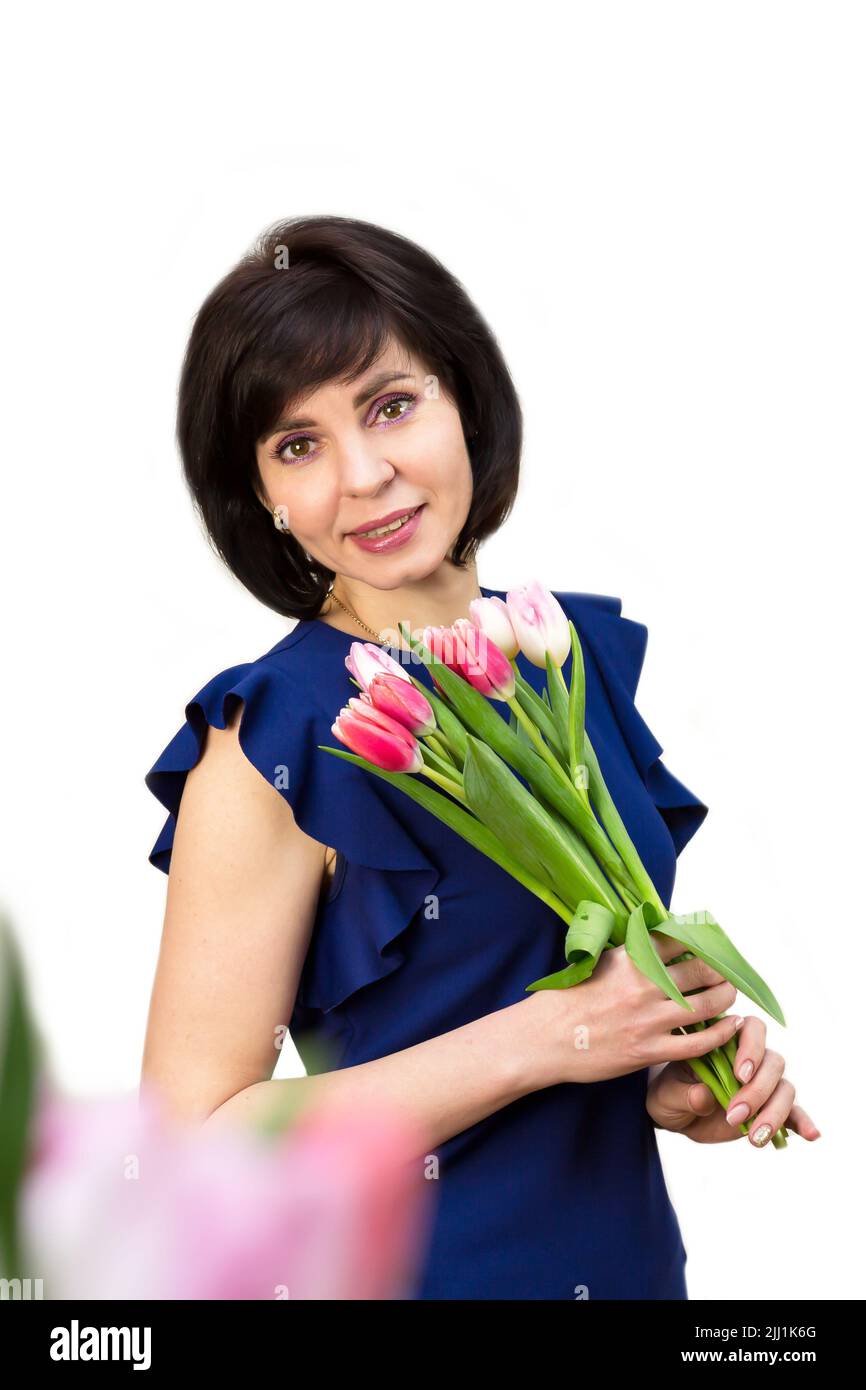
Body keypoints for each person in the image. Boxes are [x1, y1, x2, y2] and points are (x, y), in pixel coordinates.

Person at [142, 215, 819, 1300]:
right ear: (261, 493)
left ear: (465, 401)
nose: (363, 474)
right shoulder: (268, 736)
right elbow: (193, 1144)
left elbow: (554, 995)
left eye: (391, 405)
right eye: (297, 444)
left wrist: (659, 1072)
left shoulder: (560, 653)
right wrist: (550, 1037)